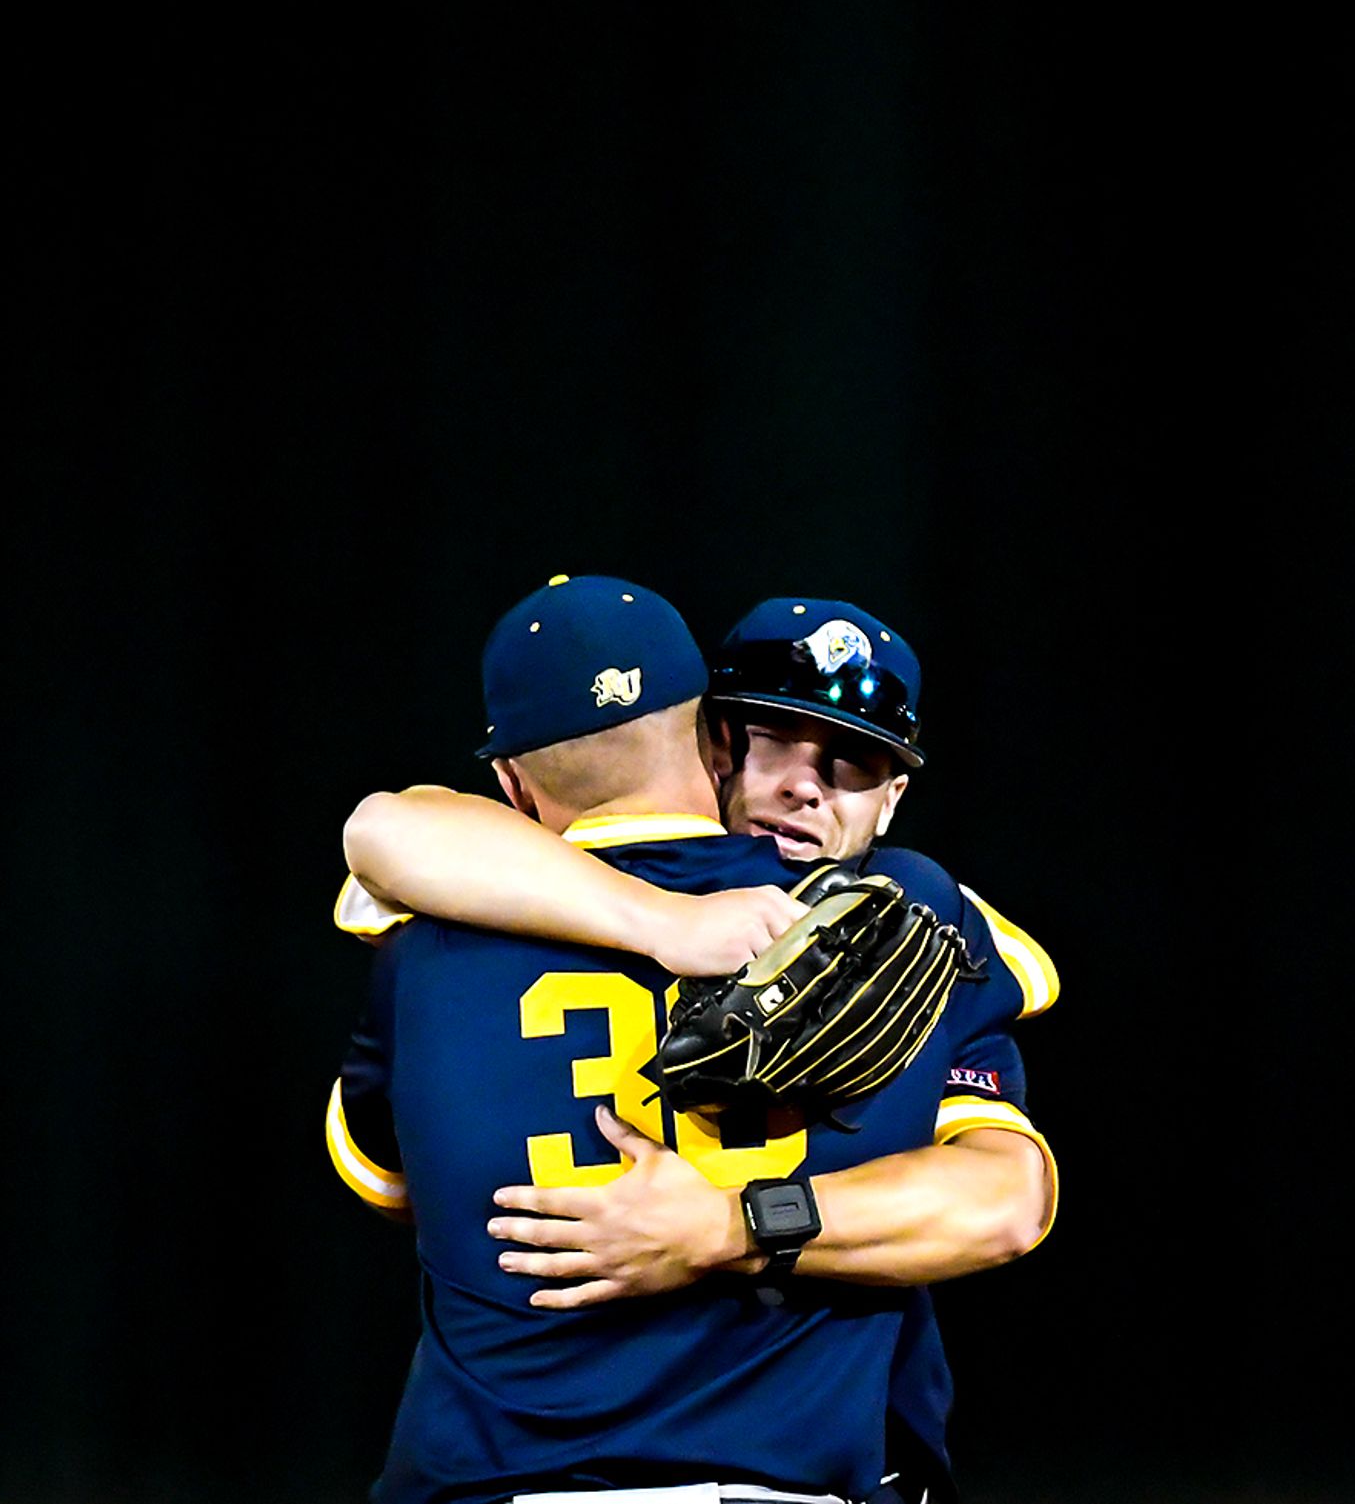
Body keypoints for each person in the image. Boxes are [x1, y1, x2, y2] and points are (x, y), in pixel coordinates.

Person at [328, 577, 1041, 1504]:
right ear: (712, 740)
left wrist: (726, 1225)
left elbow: (1004, 1197)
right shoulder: (921, 918)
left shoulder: (424, 936)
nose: (802, 785)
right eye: (774, 737)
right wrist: (664, 920)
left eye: (852, 763)